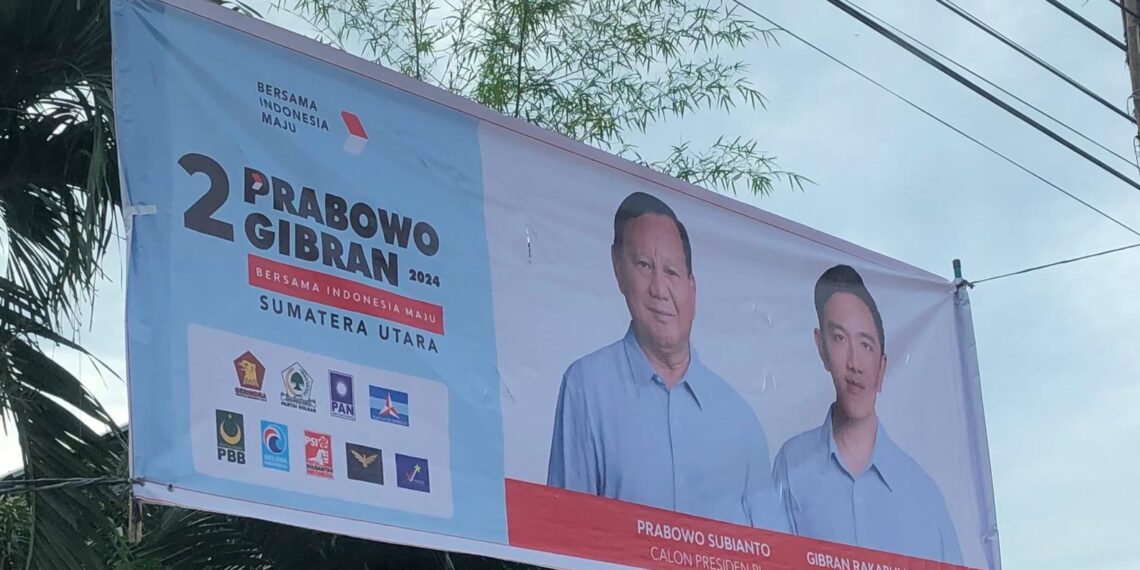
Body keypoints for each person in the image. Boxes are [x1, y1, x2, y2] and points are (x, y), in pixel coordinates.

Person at [547, 191, 784, 530]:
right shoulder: (587, 386)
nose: (659, 288)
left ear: (692, 288)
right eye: (644, 266)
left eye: (672, 272)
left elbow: (771, 550)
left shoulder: (738, 417)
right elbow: (565, 533)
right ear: (619, 271)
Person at [772, 264, 962, 563]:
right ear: (821, 347)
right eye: (839, 339)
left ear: (882, 367)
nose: (855, 363)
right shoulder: (792, 466)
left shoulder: (923, 495)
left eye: (865, 344)